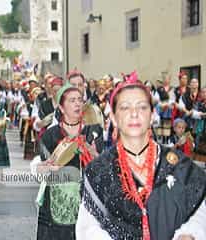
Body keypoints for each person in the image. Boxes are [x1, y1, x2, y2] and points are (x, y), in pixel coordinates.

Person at [76, 72, 206, 240]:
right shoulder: (98, 171)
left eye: (142, 106)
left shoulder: (179, 165)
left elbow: (200, 209)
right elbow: (87, 227)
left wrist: (189, 233)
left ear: (152, 115)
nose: (134, 113)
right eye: (125, 107)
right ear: (114, 118)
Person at [36, 84, 104, 240]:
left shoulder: (93, 131)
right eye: (72, 100)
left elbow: (100, 162)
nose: (78, 104)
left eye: (80, 100)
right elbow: (45, 166)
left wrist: (88, 148)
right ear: (61, 107)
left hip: (87, 195)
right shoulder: (50, 135)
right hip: (59, 197)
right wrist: (49, 166)